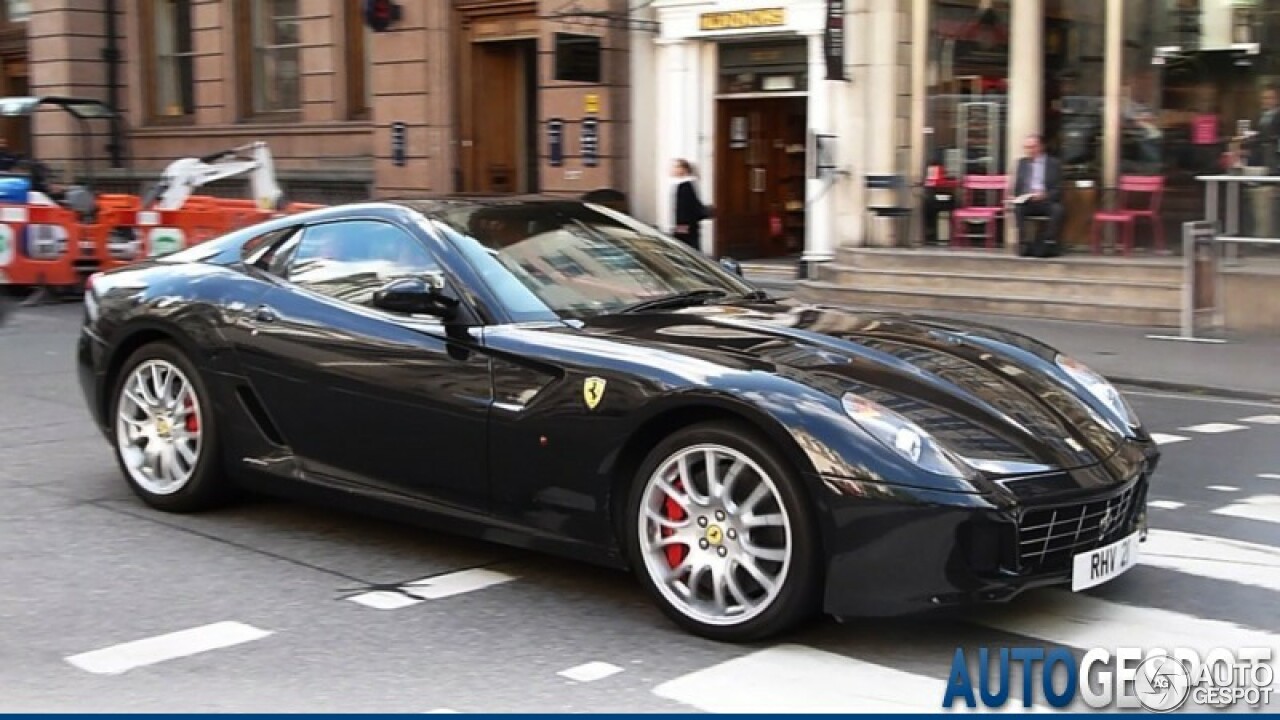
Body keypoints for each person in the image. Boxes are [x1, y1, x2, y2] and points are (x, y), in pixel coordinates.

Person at [1010, 134, 1064, 258]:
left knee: (1058, 210)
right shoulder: (1022, 163)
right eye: (1026, 147)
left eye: (1032, 147)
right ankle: (1023, 242)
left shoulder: (1053, 163)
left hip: (1046, 200)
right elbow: (1018, 186)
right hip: (1028, 200)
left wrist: (1045, 195)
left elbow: (1059, 189)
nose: (1029, 150)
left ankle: (1047, 242)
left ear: (1040, 147)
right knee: (1018, 209)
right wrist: (1017, 197)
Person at [670, 159, 708, 251]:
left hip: (685, 226)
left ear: (684, 169)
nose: (673, 170)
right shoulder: (688, 184)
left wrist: (681, 227)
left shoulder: (684, 186)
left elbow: (684, 208)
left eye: (677, 167)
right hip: (689, 226)